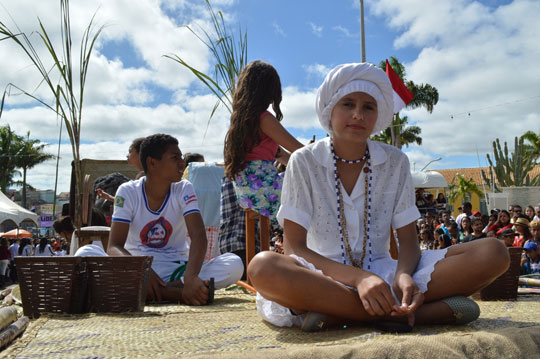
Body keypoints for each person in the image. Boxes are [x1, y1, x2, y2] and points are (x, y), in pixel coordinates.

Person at [247, 63, 510, 332]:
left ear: (378, 115)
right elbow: (295, 250)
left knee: (494, 252)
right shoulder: (304, 161)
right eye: (348, 104)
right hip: (322, 278)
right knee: (263, 267)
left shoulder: (396, 161)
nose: (358, 115)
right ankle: (412, 315)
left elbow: (408, 240)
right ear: (329, 110)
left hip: (387, 276)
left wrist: (404, 275)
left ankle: (342, 315)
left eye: (368, 107)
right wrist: (360, 279)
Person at [108, 134, 243, 305]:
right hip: (138, 267)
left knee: (234, 264)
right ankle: (175, 293)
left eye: (181, 158)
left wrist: (191, 276)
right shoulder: (128, 191)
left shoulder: (184, 187)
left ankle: (160, 291)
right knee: (86, 254)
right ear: (152, 163)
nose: (181, 163)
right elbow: (114, 246)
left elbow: (198, 234)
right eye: (174, 158)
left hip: (177, 268)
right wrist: (143, 270)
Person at [223, 60, 303, 221]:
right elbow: (300, 150)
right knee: (313, 191)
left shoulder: (241, 122)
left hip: (247, 194)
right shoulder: (264, 118)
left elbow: (286, 157)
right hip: (265, 190)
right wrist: (326, 153)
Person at [97, 137, 146, 202]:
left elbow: (134, 204)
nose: (127, 155)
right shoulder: (144, 175)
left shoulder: (143, 177)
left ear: (140, 153)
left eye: (130, 151)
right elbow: (131, 203)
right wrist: (109, 197)